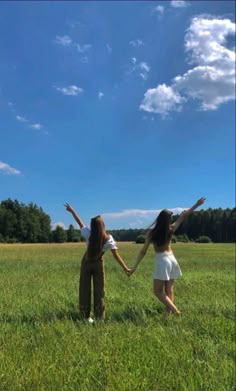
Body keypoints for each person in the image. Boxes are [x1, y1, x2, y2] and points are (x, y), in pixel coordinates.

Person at [128, 197, 206, 314]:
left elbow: (143, 251)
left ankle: (175, 311)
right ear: (168, 220)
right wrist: (197, 204)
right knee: (169, 288)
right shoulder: (171, 228)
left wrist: (134, 267)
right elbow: (184, 215)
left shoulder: (152, 233)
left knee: (157, 291)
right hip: (172, 259)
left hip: (162, 260)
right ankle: (168, 314)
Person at [64, 203, 130, 322]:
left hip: (86, 263)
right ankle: (99, 317)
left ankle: (85, 316)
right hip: (98, 264)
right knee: (99, 290)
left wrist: (72, 210)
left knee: (84, 288)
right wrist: (125, 268)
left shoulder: (88, 233)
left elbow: (79, 222)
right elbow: (116, 255)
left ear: (92, 226)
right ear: (103, 226)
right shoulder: (109, 239)